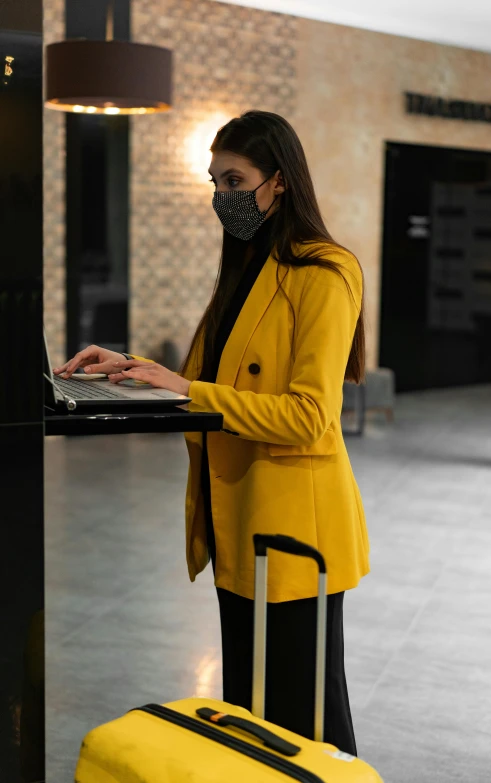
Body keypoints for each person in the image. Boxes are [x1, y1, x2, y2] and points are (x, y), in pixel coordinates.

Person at [54, 110, 370, 756]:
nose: (222, 197)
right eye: (214, 182)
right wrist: (132, 371)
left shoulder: (326, 272)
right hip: (238, 524)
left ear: (279, 182)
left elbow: (310, 415)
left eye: (235, 180)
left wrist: (185, 389)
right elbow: (201, 384)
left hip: (293, 535)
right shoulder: (243, 268)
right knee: (250, 716)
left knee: (307, 722)